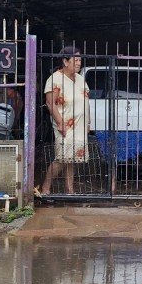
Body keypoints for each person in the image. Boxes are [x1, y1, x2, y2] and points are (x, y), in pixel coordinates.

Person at [40, 46, 89, 194]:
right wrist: (60, 123)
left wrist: (88, 122)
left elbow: (86, 101)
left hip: (80, 125)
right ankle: (45, 187)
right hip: (65, 125)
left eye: (80, 60)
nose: (79, 63)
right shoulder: (55, 79)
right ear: (65, 62)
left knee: (72, 160)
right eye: (76, 60)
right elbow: (50, 103)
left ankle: (70, 189)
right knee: (61, 159)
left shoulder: (80, 79)